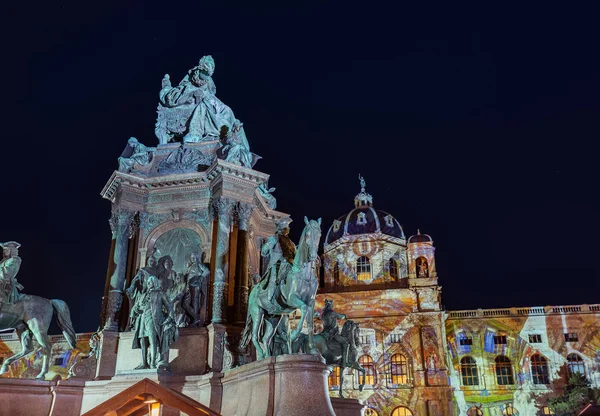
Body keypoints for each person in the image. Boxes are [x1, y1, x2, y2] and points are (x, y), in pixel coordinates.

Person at [261, 221, 296, 302]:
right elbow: (264, 251)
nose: (288, 229)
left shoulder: (291, 243)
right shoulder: (275, 238)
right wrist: (266, 247)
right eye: (286, 228)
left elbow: (296, 253)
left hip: (289, 266)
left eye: (288, 228)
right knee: (273, 280)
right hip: (276, 265)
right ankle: (269, 300)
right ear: (282, 229)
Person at [319, 299, 350, 367]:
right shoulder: (332, 312)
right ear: (331, 305)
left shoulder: (323, 313)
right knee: (345, 343)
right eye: (332, 305)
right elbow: (340, 316)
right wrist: (344, 315)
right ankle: (344, 362)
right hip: (333, 333)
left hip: (324, 333)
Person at [182, 252, 209, 326]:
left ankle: (196, 319)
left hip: (195, 285)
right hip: (189, 286)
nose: (192, 258)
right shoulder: (191, 266)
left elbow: (207, 271)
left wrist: (200, 277)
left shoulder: (199, 264)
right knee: (185, 303)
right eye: (192, 257)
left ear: (197, 257)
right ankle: (196, 317)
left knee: (195, 301)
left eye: (194, 257)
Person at [0, 241, 24, 307]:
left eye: (6, 250)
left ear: (11, 251)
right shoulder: (3, 261)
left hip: (6, 284)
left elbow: (7, 273)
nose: (4, 252)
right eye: (3, 250)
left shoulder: (14, 260)